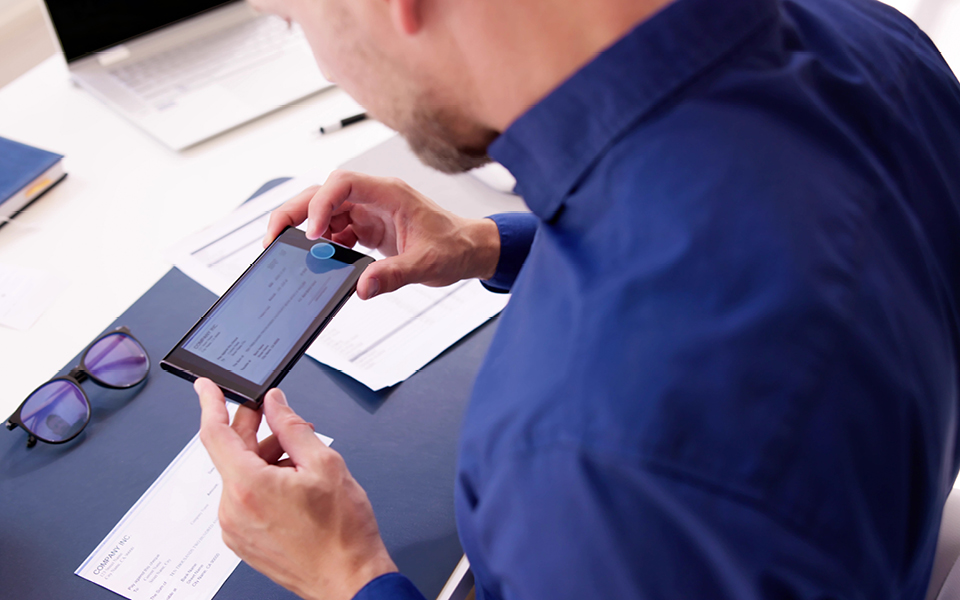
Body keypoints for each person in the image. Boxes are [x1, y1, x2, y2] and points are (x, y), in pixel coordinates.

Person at [192, 0, 960, 597]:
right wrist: (490, 244)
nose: (327, 67)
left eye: (297, 19)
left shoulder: (580, 460)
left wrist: (347, 576)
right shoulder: (871, 39)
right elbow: (769, 225)